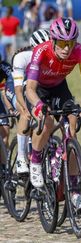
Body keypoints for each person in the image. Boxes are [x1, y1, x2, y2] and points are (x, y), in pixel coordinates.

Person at [26, 17, 81, 210]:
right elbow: (30, 88)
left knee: (72, 123)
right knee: (47, 123)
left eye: (71, 43)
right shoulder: (41, 52)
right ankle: (35, 161)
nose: (67, 48)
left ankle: (75, 188)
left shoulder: (80, 51)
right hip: (39, 89)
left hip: (60, 87)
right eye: (62, 43)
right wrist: (37, 106)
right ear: (53, 40)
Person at [6, 29, 51, 174]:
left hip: (31, 88)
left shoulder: (52, 57)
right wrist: (24, 108)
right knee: (25, 113)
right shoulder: (23, 57)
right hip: (14, 87)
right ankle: (20, 156)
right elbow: (19, 90)